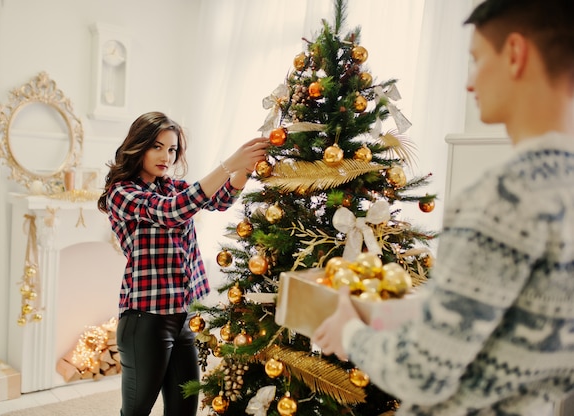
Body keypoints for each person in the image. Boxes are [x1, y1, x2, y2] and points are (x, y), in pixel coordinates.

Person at [312, 0, 574, 414]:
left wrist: (349, 335)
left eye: (475, 60)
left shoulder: (500, 198)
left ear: (515, 54)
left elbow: (422, 373)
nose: (470, 84)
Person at [97, 111, 269, 416]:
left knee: (184, 408)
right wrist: (229, 163)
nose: (167, 156)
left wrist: (245, 168)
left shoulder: (172, 186)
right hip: (146, 319)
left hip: (183, 313)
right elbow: (170, 211)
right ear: (139, 146)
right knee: (136, 411)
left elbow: (219, 199)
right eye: (158, 147)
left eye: (173, 149)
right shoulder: (121, 192)